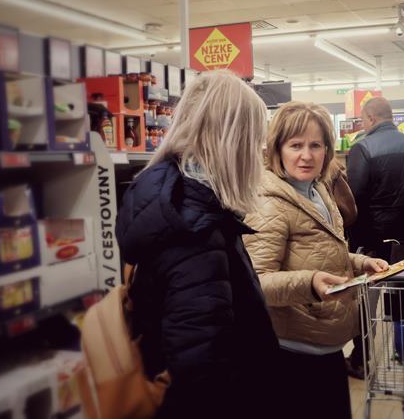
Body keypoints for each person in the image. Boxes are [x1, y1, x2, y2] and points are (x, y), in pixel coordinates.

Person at [115, 70, 282, 419]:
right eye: (255, 141)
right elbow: (200, 369)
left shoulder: (176, 203)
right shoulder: (195, 231)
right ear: (233, 143)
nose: (259, 152)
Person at [243, 101, 388, 419]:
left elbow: (317, 251)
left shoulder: (317, 191)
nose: (306, 156)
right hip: (292, 355)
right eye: (295, 145)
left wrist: (359, 263)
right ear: (277, 149)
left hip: (326, 346)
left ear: (327, 150)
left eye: (315, 145)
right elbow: (256, 282)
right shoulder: (269, 203)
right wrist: (310, 284)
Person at [345, 96, 404, 378]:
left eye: (363, 120)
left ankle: (360, 360)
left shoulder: (362, 148)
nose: (363, 125)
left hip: (371, 242)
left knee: (367, 302)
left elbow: (353, 199)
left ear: (371, 119)